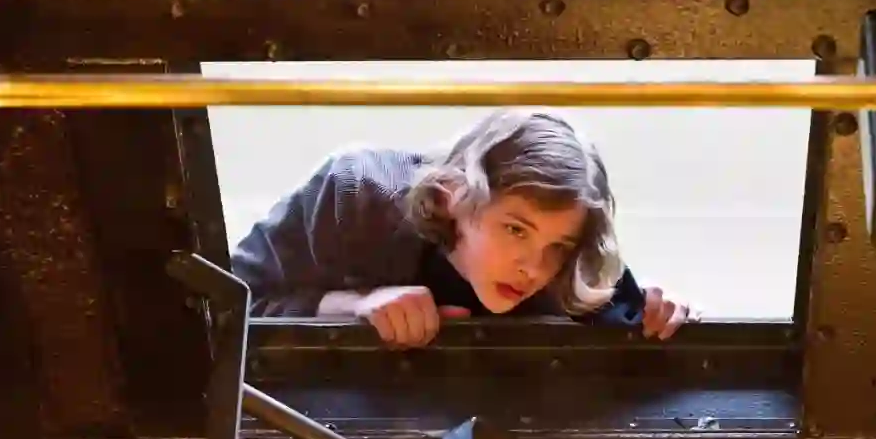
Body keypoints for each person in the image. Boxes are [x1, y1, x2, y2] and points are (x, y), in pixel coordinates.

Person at [231, 109, 695, 348]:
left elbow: (637, 317)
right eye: (516, 230)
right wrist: (352, 306)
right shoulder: (357, 195)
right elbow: (219, 310)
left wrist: (663, 312)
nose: (534, 269)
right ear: (453, 194)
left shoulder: (571, 273)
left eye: (557, 245)